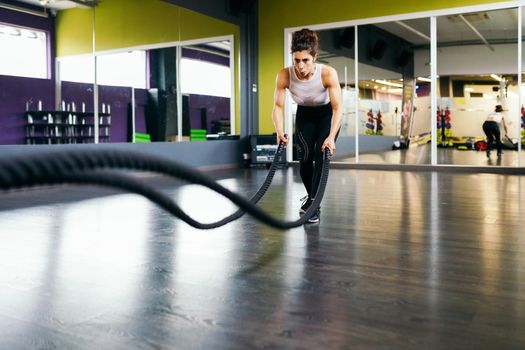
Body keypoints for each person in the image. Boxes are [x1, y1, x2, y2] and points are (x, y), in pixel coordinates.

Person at [271, 28, 342, 223]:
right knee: (304, 158)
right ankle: (312, 198)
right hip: (304, 114)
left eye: (305, 61)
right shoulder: (284, 75)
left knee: (321, 155)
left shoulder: (327, 73)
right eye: (296, 60)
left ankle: (313, 205)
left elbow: (338, 109)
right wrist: (279, 131)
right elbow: (277, 107)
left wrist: (331, 137)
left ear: (314, 58)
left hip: (327, 114)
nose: (300, 66)